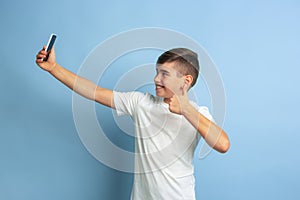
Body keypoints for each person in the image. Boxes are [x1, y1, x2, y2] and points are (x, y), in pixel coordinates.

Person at [36, 45, 230, 200]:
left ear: (185, 81)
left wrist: (186, 109)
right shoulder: (141, 103)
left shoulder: (199, 113)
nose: (156, 78)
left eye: (164, 74)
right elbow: (95, 92)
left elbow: (223, 145)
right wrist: (54, 68)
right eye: (157, 72)